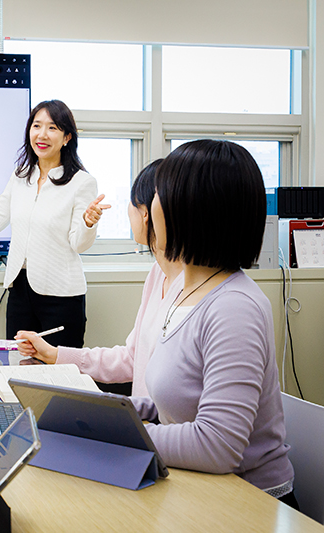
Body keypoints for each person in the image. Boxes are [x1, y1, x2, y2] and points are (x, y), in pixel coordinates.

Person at [130, 139, 296, 507]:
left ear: (193, 210)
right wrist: (98, 411)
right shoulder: (184, 290)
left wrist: (121, 432)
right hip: (198, 489)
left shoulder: (235, 306)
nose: (152, 204)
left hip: (250, 503)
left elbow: (217, 445)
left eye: (161, 192)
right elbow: (174, 404)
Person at [0, 100, 110, 348]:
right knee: (18, 367)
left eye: (52, 128)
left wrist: (89, 223)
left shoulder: (82, 182)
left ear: (67, 137)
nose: (42, 134)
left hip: (61, 296)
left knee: (58, 374)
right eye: (37, 126)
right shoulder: (20, 176)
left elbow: (78, 244)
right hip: (20, 291)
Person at [15, 159, 184, 396]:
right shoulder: (158, 273)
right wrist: (53, 354)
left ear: (146, 213)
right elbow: (132, 358)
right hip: (146, 422)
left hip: (154, 428)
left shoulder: (199, 289)